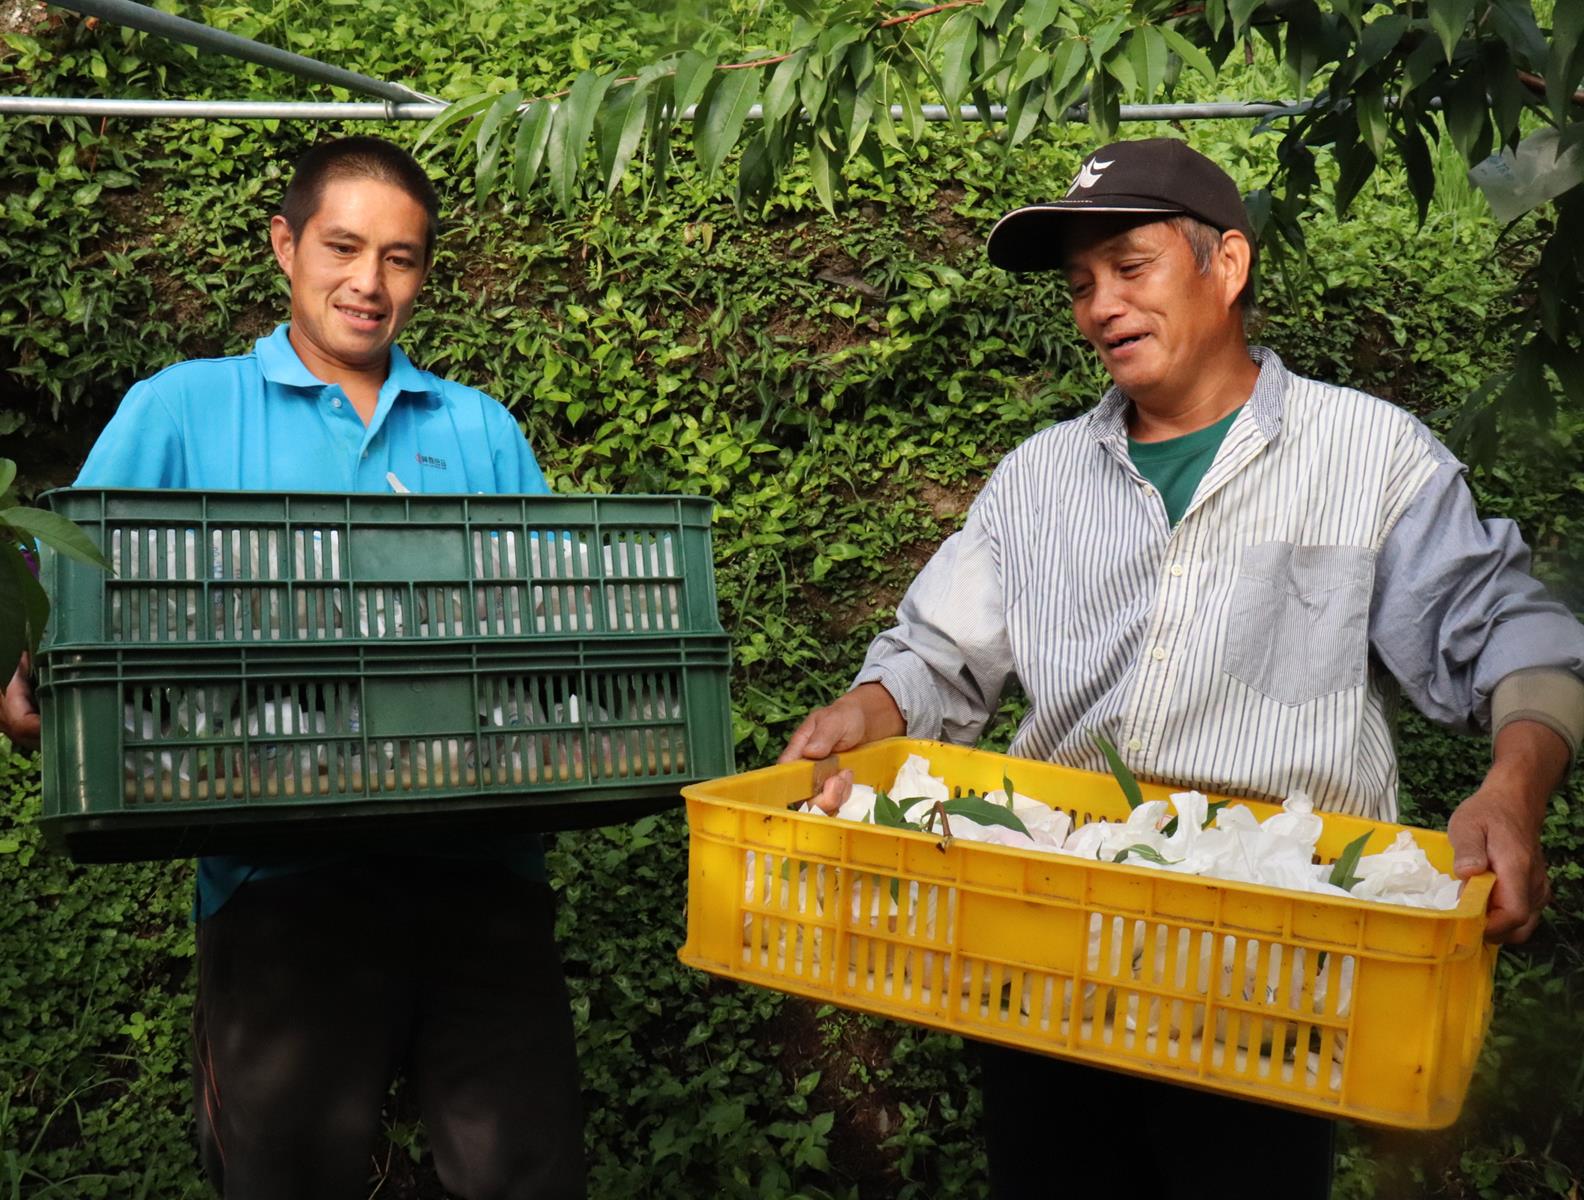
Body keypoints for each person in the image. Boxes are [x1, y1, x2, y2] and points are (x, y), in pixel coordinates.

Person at [780, 137, 1584, 1199]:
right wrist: (870, 707)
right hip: (1045, 963)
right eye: (1079, 286)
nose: (1099, 307)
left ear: (1229, 265)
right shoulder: (1038, 480)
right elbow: (935, 656)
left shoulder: (1370, 458)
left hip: (1263, 983)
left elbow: (1517, 636)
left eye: (1129, 266)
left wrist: (1512, 792)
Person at [0, 136, 585, 1200]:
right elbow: (61, 579)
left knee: (524, 1176)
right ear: (286, 244)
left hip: (482, 873)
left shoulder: (478, 427)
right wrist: (28, 673)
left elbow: (551, 621)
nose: (370, 282)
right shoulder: (183, 409)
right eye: (344, 247)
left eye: (401, 258)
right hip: (278, 882)